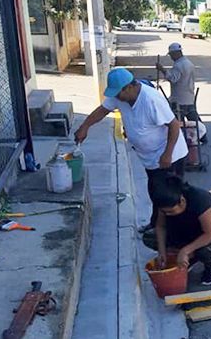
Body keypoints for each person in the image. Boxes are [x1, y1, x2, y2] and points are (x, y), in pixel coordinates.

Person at [74, 68, 189, 232]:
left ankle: (175, 230)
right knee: (155, 192)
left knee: (170, 196)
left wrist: (167, 154)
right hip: (150, 157)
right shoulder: (120, 97)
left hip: (169, 156)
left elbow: (174, 125)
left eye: (118, 93)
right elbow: (102, 111)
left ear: (129, 87)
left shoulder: (150, 100)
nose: (116, 97)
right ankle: (156, 224)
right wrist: (84, 127)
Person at [143, 176, 211, 286]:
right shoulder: (163, 201)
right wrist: (162, 252)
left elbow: (210, 234)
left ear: (182, 201)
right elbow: (161, 226)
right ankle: (190, 256)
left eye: (170, 212)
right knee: (149, 238)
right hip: (184, 232)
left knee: (205, 252)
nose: (167, 215)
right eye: (164, 212)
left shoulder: (200, 200)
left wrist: (185, 251)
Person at [155, 42, 198, 122]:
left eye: (171, 55)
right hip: (189, 97)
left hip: (179, 100)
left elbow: (173, 79)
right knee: (195, 122)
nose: (171, 57)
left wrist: (162, 70)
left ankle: (180, 133)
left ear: (176, 53)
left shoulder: (178, 65)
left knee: (177, 123)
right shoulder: (189, 63)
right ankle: (201, 133)